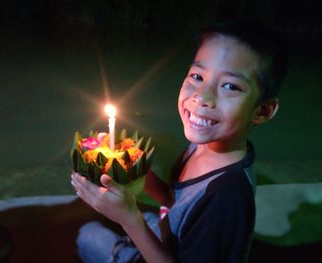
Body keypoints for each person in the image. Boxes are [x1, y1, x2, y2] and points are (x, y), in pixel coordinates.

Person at [71, 18, 288, 263]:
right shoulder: (206, 143)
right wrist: (125, 167)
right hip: (172, 233)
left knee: (87, 236)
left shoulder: (226, 199)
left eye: (230, 86)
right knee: (137, 224)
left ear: (263, 110)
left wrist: (129, 219)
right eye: (197, 76)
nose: (202, 96)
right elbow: (170, 199)